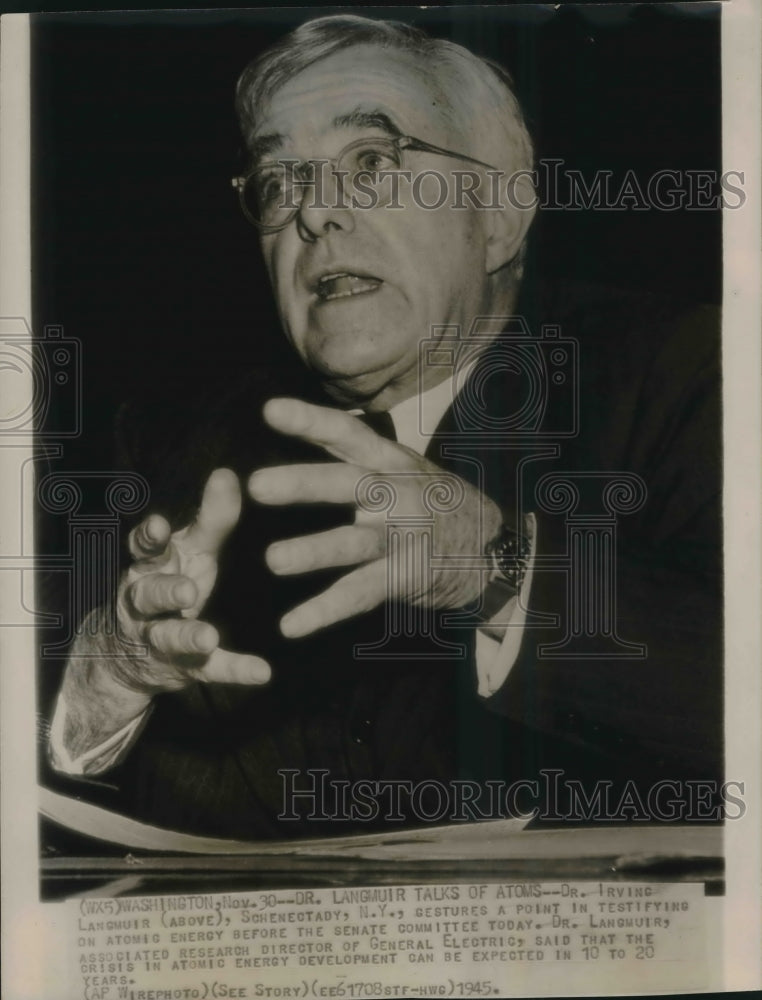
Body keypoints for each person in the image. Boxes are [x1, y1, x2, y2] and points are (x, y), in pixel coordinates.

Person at [47, 15, 722, 838]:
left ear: (502, 216)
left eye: (370, 162)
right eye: (278, 180)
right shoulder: (173, 445)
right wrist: (109, 679)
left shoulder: (689, 378)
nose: (314, 213)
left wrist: (495, 568)